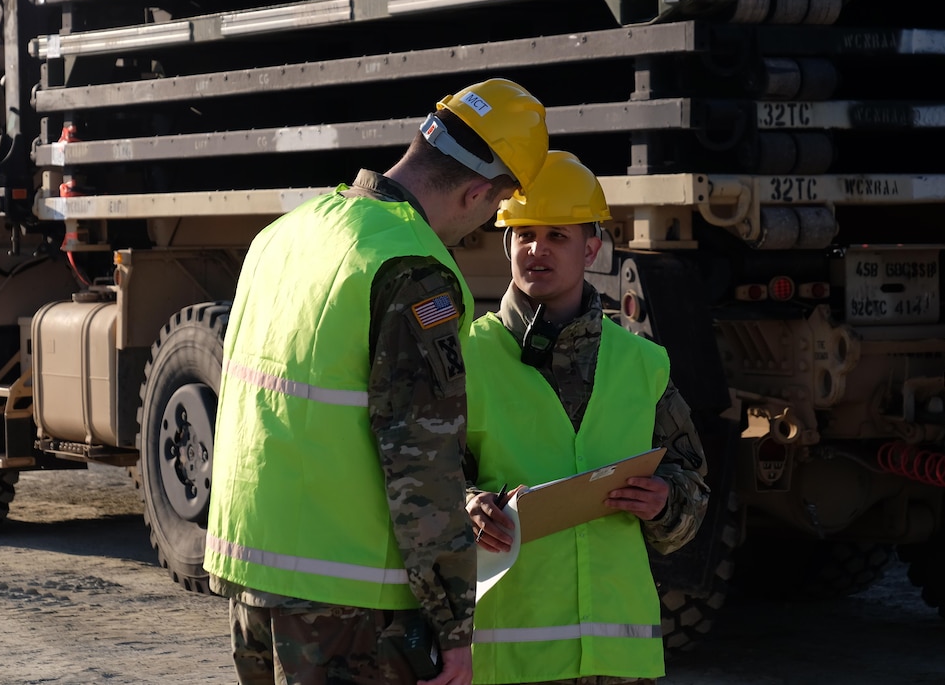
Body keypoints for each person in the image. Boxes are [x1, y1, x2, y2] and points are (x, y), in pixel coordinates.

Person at [203, 78, 550, 685]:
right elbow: (421, 461)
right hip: (350, 600)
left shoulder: (286, 233)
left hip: (252, 579)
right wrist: (454, 625)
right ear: (475, 194)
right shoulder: (409, 265)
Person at [462, 151, 710, 684]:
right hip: (510, 660)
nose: (537, 250)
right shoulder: (467, 356)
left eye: (557, 235)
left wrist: (666, 502)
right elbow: (414, 481)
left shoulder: (642, 363)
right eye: (524, 234)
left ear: (591, 247)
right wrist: (467, 507)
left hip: (618, 662)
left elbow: (691, 484)